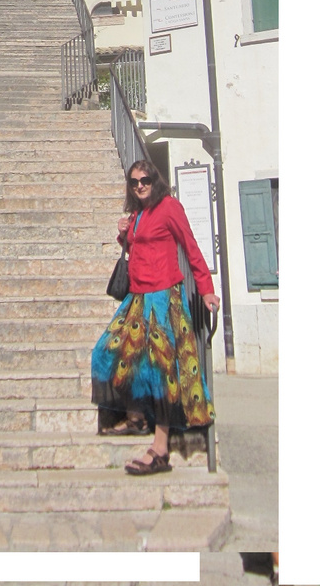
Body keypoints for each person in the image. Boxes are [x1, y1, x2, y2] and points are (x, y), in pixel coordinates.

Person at [90, 160, 219, 475]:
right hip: (137, 298)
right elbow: (135, 250)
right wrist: (123, 235)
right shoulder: (137, 215)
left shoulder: (169, 207)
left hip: (163, 298)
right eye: (134, 182)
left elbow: (191, 248)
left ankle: (160, 449)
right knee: (105, 353)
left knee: (162, 372)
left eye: (145, 180)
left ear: (155, 180)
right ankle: (135, 416)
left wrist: (206, 290)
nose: (140, 186)